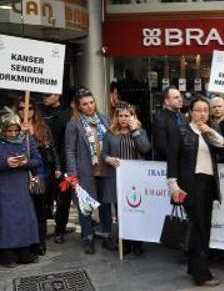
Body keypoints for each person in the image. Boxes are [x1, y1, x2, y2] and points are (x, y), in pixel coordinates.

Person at [167, 96, 224, 286]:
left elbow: (222, 145)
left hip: (208, 184)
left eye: (205, 110)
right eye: (198, 110)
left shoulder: (211, 129)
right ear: (190, 112)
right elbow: (173, 159)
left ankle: (194, 266)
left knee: (203, 226)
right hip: (190, 185)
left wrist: (209, 131)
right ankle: (202, 274)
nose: (202, 114)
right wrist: (173, 185)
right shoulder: (181, 130)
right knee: (199, 227)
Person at [65, 89, 115, 254]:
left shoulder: (105, 119)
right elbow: (70, 151)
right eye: (85, 104)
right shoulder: (74, 124)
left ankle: (107, 236)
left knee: (106, 204)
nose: (89, 106)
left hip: (105, 169)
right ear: (79, 106)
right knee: (85, 207)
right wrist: (73, 174)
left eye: (91, 102)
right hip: (85, 171)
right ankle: (88, 238)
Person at [101, 102, 151, 256]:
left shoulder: (140, 131)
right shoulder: (110, 133)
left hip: (135, 178)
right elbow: (104, 154)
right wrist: (108, 159)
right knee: (122, 212)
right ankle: (126, 242)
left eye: (127, 115)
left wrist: (135, 131)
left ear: (132, 116)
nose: (123, 119)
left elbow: (145, 149)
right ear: (116, 117)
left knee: (137, 210)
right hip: (117, 178)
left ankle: (138, 243)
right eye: (120, 115)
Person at [0, 114, 43, 268]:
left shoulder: (26, 139)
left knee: (24, 218)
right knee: (7, 220)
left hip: (22, 186)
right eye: (9, 131)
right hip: (4, 186)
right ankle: (7, 254)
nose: (12, 134)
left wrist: (26, 162)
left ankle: (25, 251)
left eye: (15, 130)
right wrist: (5, 163)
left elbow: (38, 160)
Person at [18, 98, 59, 255]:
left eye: (30, 107)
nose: (26, 111)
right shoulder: (12, 128)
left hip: (40, 175)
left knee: (40, 210)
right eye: (22, 108)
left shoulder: (42, 128)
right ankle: (25, 244)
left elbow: (51, 150)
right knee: (24, 211)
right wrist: (21, 133)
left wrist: (58, 168)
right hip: (20, 176)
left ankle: (40, 243)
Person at [38, 93, 72, 244]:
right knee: (43, 198)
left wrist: (65, 164)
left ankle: (60, 230)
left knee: (64, 199)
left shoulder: (68, 113)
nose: (44, 98)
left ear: (57, 95)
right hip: (45, 163)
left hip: (63, 162)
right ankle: (42, 231)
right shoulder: (39, 112)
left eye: (47, 95)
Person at [151, 87, 186, 161]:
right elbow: (162, 147)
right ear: (167, 101)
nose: (180, 100)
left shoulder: (183, 117)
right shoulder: (160, 118)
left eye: (180, 97)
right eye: (176, 98)